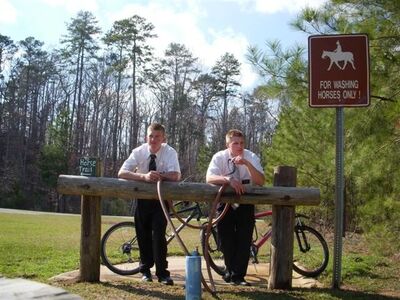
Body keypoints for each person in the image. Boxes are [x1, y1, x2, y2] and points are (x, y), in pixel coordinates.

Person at [118, 123, 181, 285]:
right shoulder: (138, 152)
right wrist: (144, 177)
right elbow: (122, 172)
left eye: (157, 136)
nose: (153, 140)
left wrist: (160, 176)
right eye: (151, 136)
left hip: (161, 200)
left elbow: (176, 175)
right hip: (143, 200)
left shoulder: (169, 152)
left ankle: (162, 273)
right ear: (147, 137)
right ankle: (145, 271)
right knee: (143, 234)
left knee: (158, 235)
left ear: (163, 138)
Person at [206, 129, 265, 286]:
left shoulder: (251, 156)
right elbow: (209, 177)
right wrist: (227, 179)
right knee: (225, 237)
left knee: (244, 238)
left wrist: (246, 164)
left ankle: (238, 276)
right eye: (235, 143)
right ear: (228, 144)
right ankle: (230, 271)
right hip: (224, 201)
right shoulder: (219, 157)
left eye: (241, 143)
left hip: (245, 201)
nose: (239, 146)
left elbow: (260, 181)